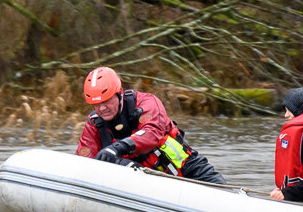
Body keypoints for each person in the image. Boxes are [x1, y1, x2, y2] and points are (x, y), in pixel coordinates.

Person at [75, 66, 226, 184]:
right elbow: (82, 163)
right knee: (109, 160)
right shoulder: (95, 125)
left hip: (189, 170)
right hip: (150, 183)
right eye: (96, 104)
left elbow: (151, 134)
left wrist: (116, 148)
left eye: (106, 101)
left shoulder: (146, 104)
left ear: (119, 93)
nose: (102, 108)